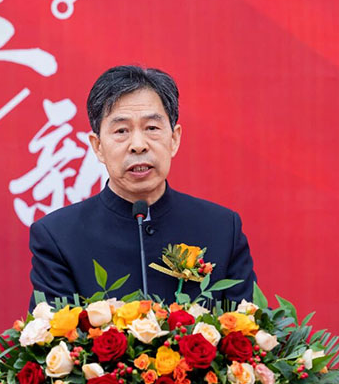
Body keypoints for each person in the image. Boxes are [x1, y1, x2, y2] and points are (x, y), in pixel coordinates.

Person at [28, 65, 256, 311]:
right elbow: (53, 331)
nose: (138, 145)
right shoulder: (59, 237)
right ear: (97, 146)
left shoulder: (222, 229)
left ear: (174, 139)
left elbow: (248, 327)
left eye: (151, 128)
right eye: (121, 131)